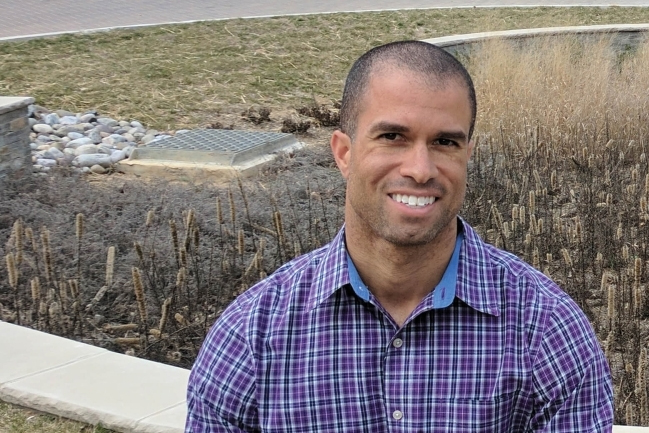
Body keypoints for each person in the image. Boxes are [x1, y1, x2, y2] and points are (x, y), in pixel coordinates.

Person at [185, 40, 614, 432]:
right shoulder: (251, 336)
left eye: (445, 142)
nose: (420, 169)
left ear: (468, 155)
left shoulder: (547, 332)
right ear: (344, 152)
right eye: (393, 137)